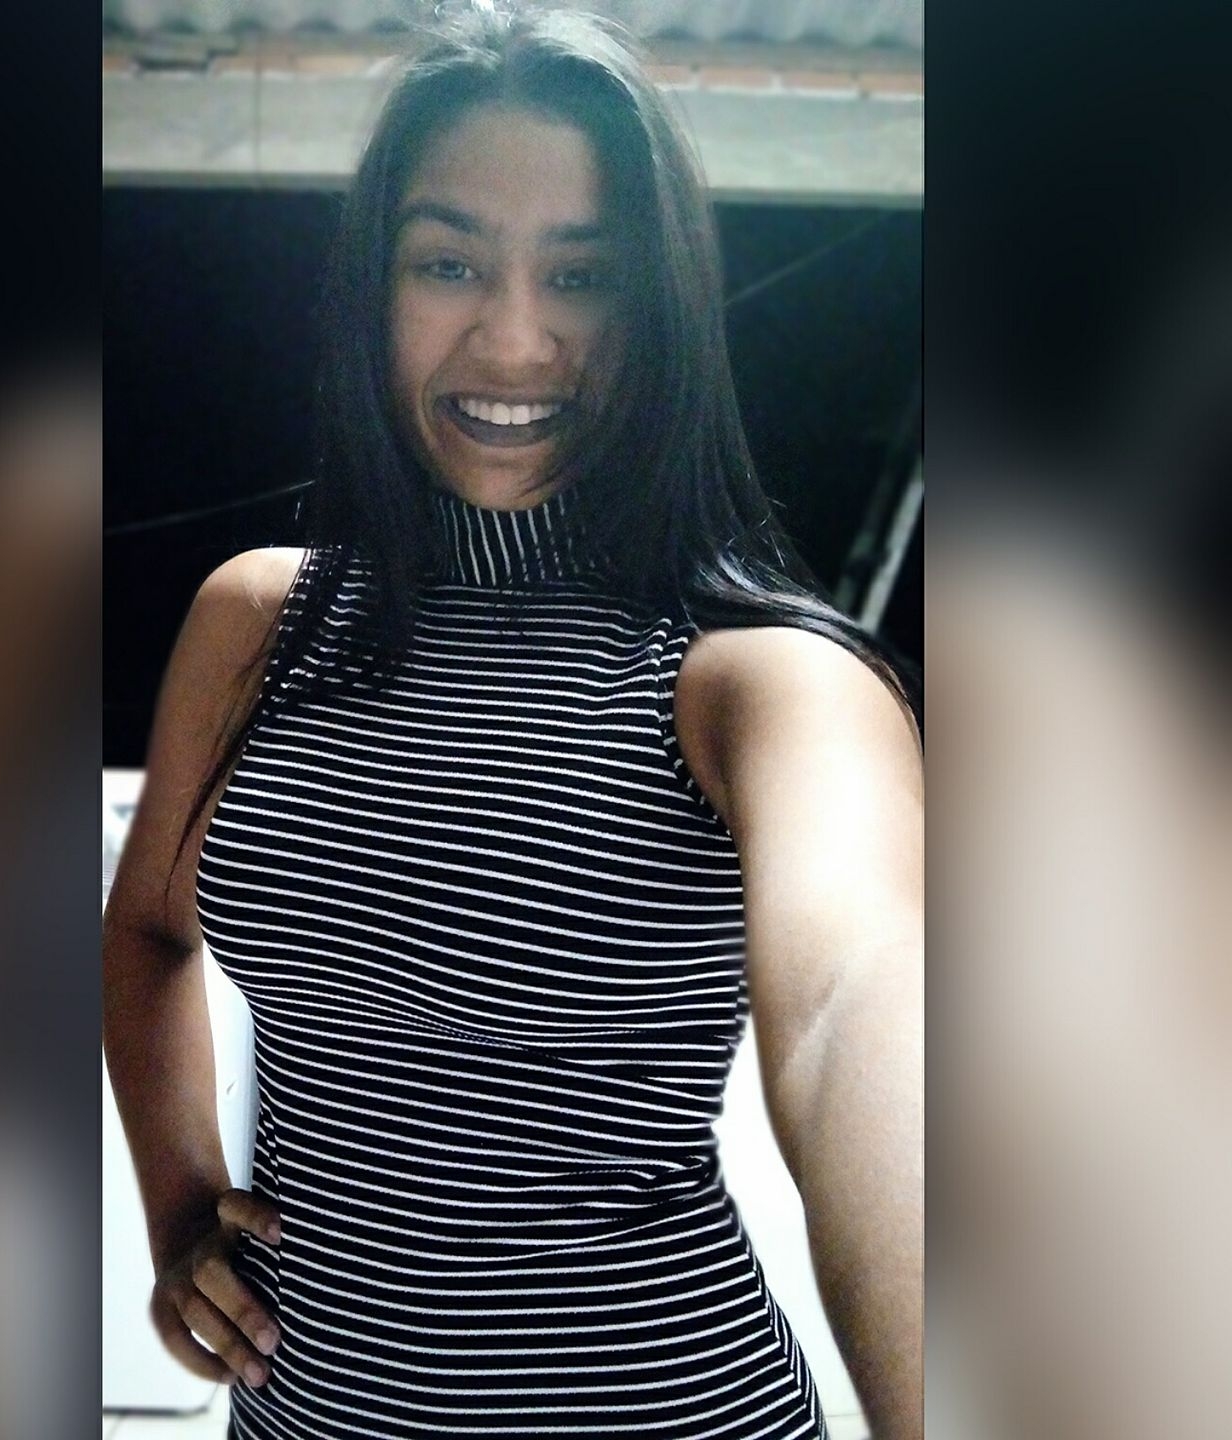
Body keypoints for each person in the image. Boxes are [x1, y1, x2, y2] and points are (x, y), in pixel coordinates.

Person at [102, 7, 924, 1438]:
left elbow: (856, 1009)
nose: (516, 336)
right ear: (373, 285)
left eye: (584, 276)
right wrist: (179, 1209)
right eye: (449, 263)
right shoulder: (257, 628)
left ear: (661, 310)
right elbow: (147, 933)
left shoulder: (758, 682)